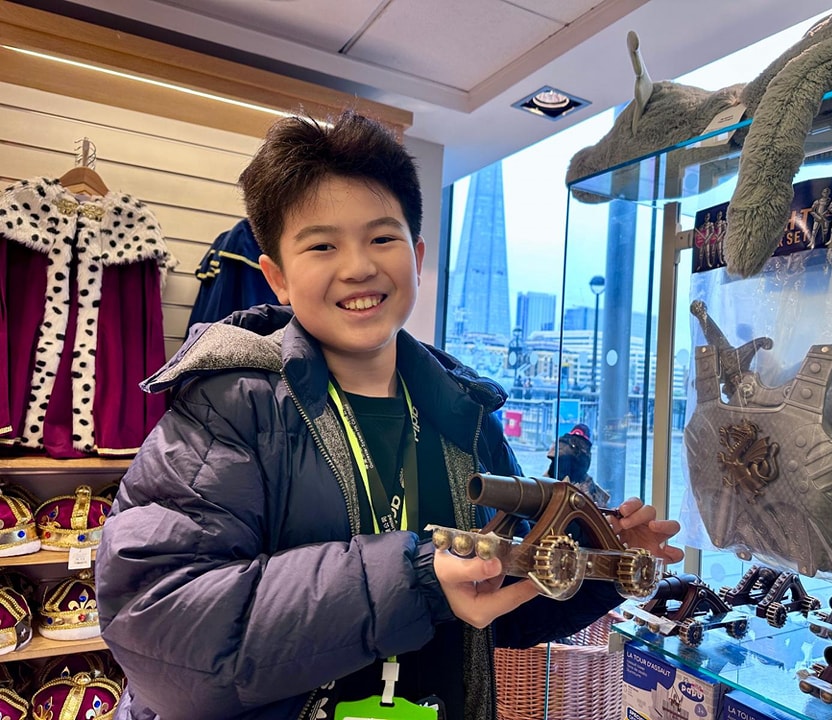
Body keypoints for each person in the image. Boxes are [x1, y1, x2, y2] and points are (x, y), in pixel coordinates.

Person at [95, 111, 684, 720]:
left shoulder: (464, 413)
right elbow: (159, 631)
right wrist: (417, 579)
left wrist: (602, 558)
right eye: (321, 245)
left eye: (382, 238)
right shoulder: (230, 409)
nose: (358, 267)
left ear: (417, 255)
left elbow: (497, 607)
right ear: (277, 277)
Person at [543, 423, 611, 506]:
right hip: (571, 484)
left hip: (556, 482)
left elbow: (552, 459)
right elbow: (583, 468)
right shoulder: (585, 448)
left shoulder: (562, 442)